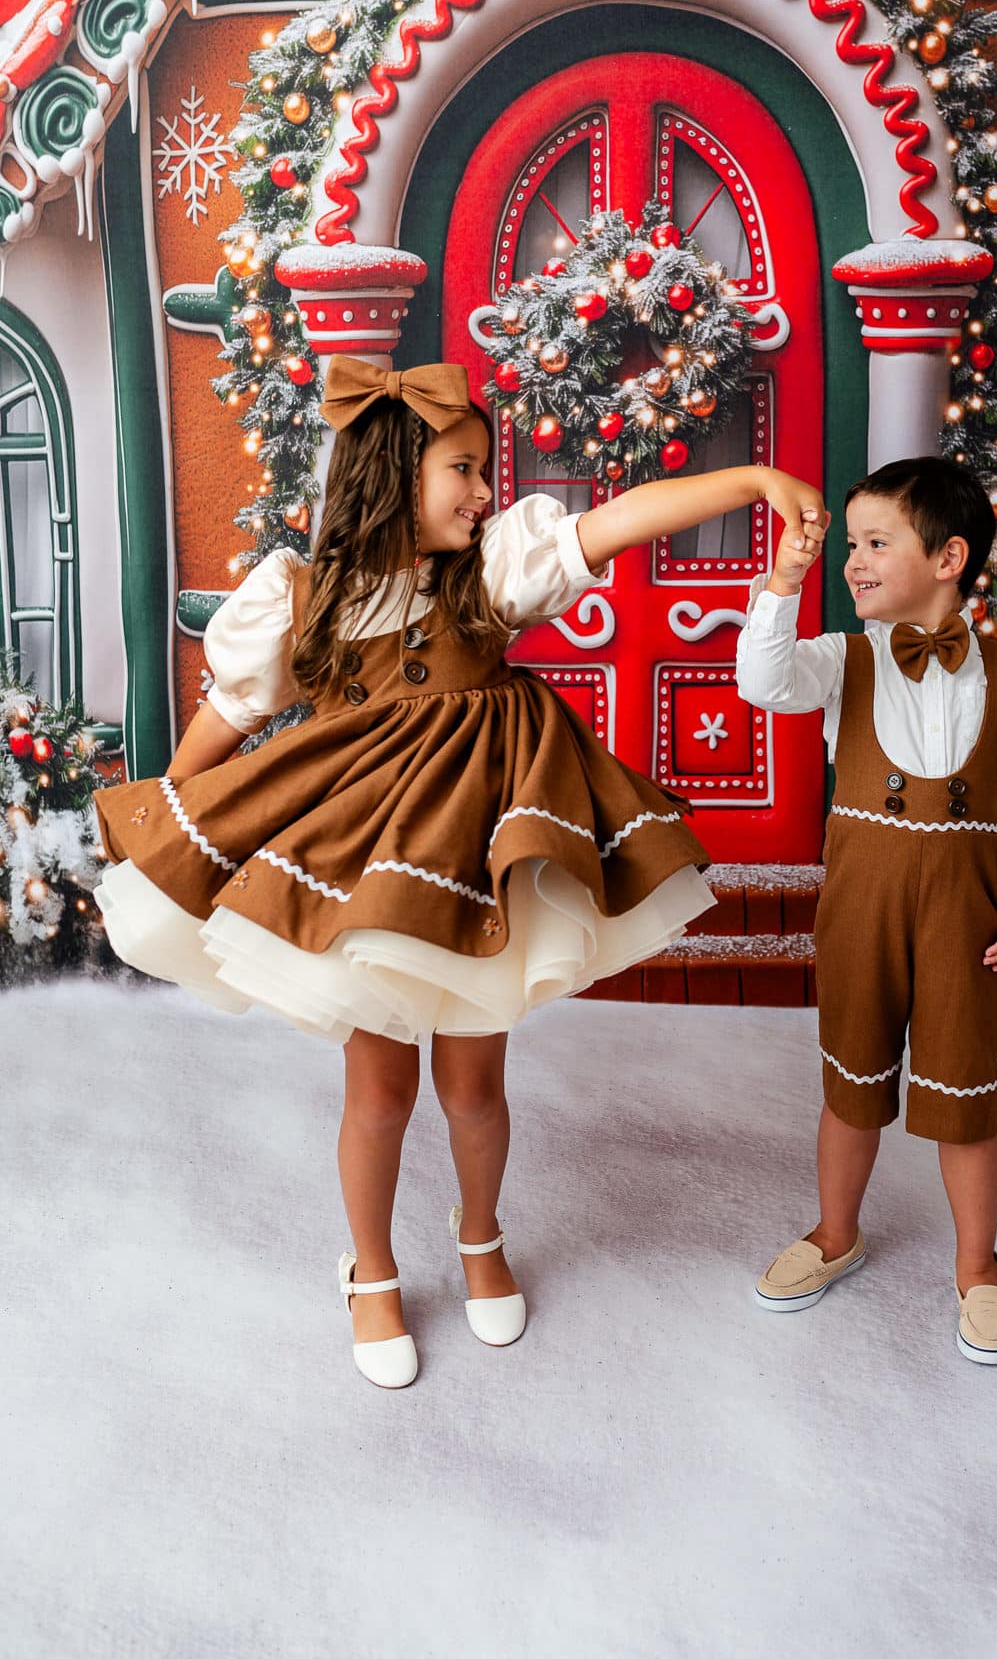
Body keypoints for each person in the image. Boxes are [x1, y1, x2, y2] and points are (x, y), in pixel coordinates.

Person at [95, 356, 823, 1389]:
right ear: (393, 472)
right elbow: (223, 724)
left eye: (486, 472)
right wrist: (167, 831)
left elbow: (617, 520)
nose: (486, 493)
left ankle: (479, 1235)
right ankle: (374, 1268)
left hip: (480, 869)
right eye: (464, 469)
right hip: (370, 873)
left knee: (474, 1086)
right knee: (380, 1085)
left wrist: (751, 482)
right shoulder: (301, 599)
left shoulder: (486, 574)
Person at [735, 456, 997, 1364]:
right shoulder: (846, 659)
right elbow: (763, 681)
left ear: (950, 556)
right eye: (852, 545)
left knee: (966, 1089)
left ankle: (976, 1264)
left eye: (877, 542)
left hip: (966, 903)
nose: (856, 560)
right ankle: (837, 1232)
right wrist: (786, 577)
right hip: (865, 897)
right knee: (853, 1079)